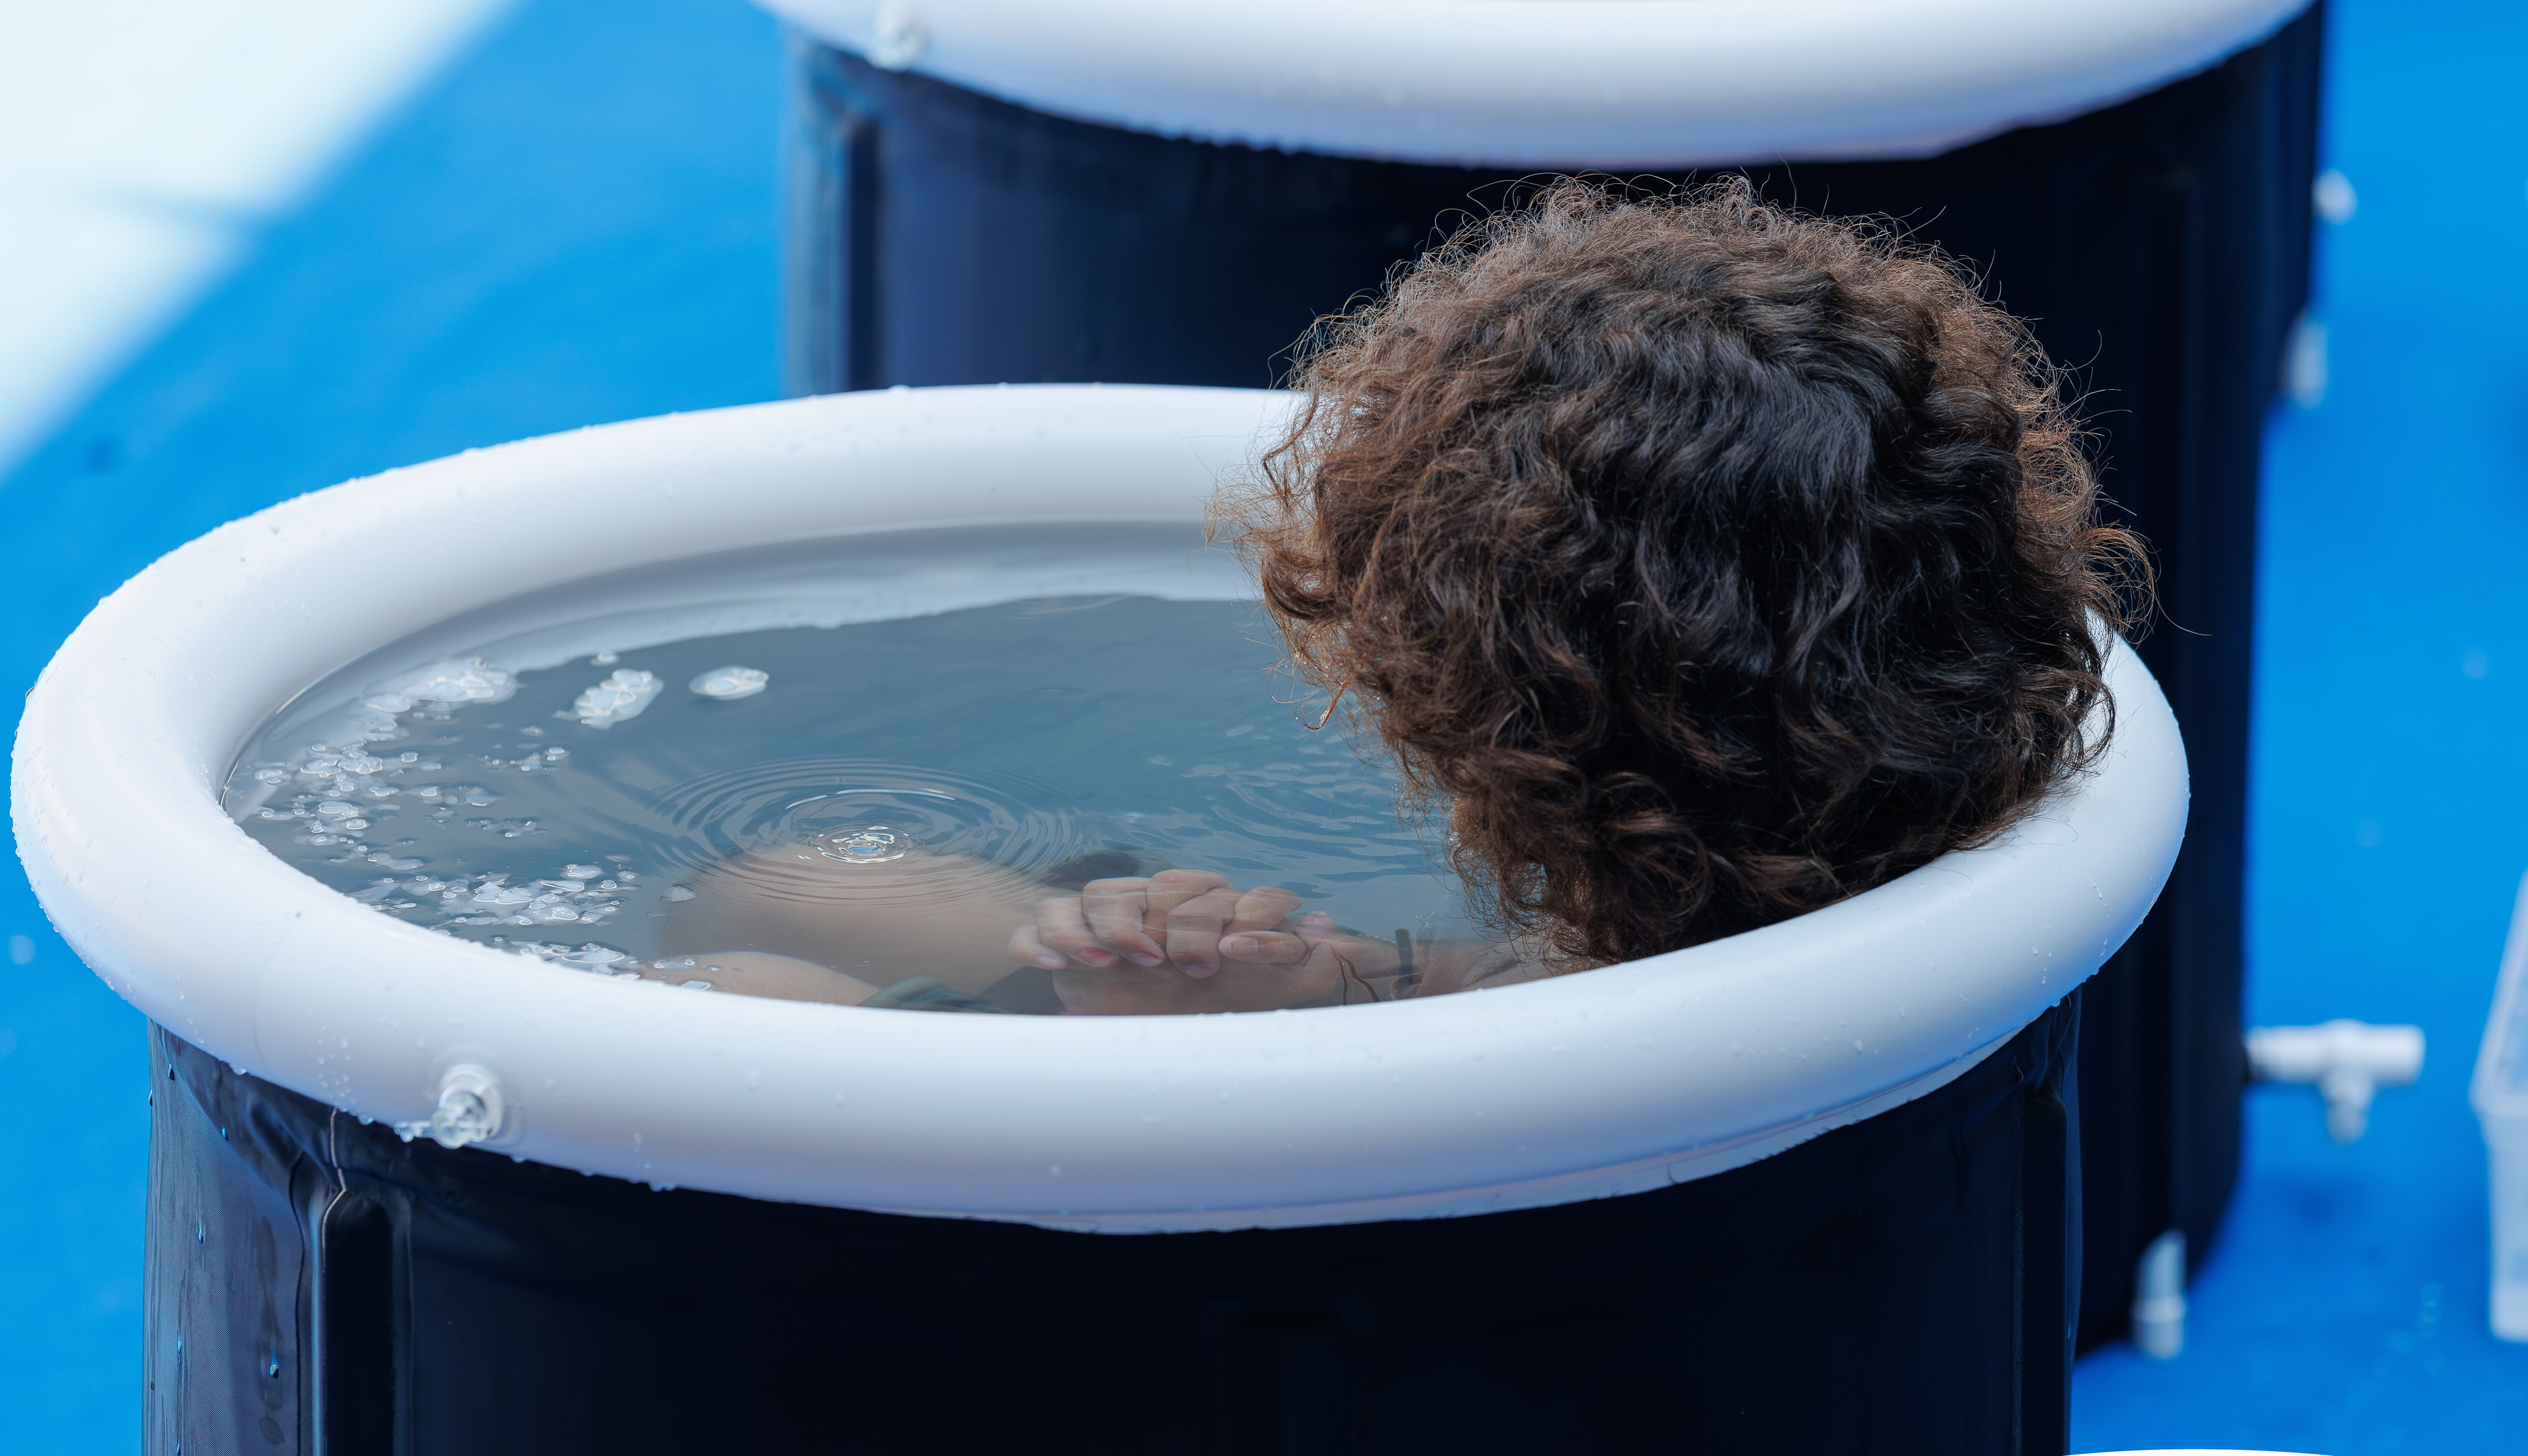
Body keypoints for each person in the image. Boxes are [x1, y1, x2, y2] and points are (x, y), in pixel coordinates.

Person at [656, 179, 2140, 1016]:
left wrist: (1238, 1028)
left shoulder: (1621, 1033)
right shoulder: (1865, 867)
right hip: (1472, 991)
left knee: (735, 975)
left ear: (1475, 707)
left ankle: (1047, 969)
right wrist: (1326, 974)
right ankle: (1063, 940)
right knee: (798, 878)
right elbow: (1572, 973)